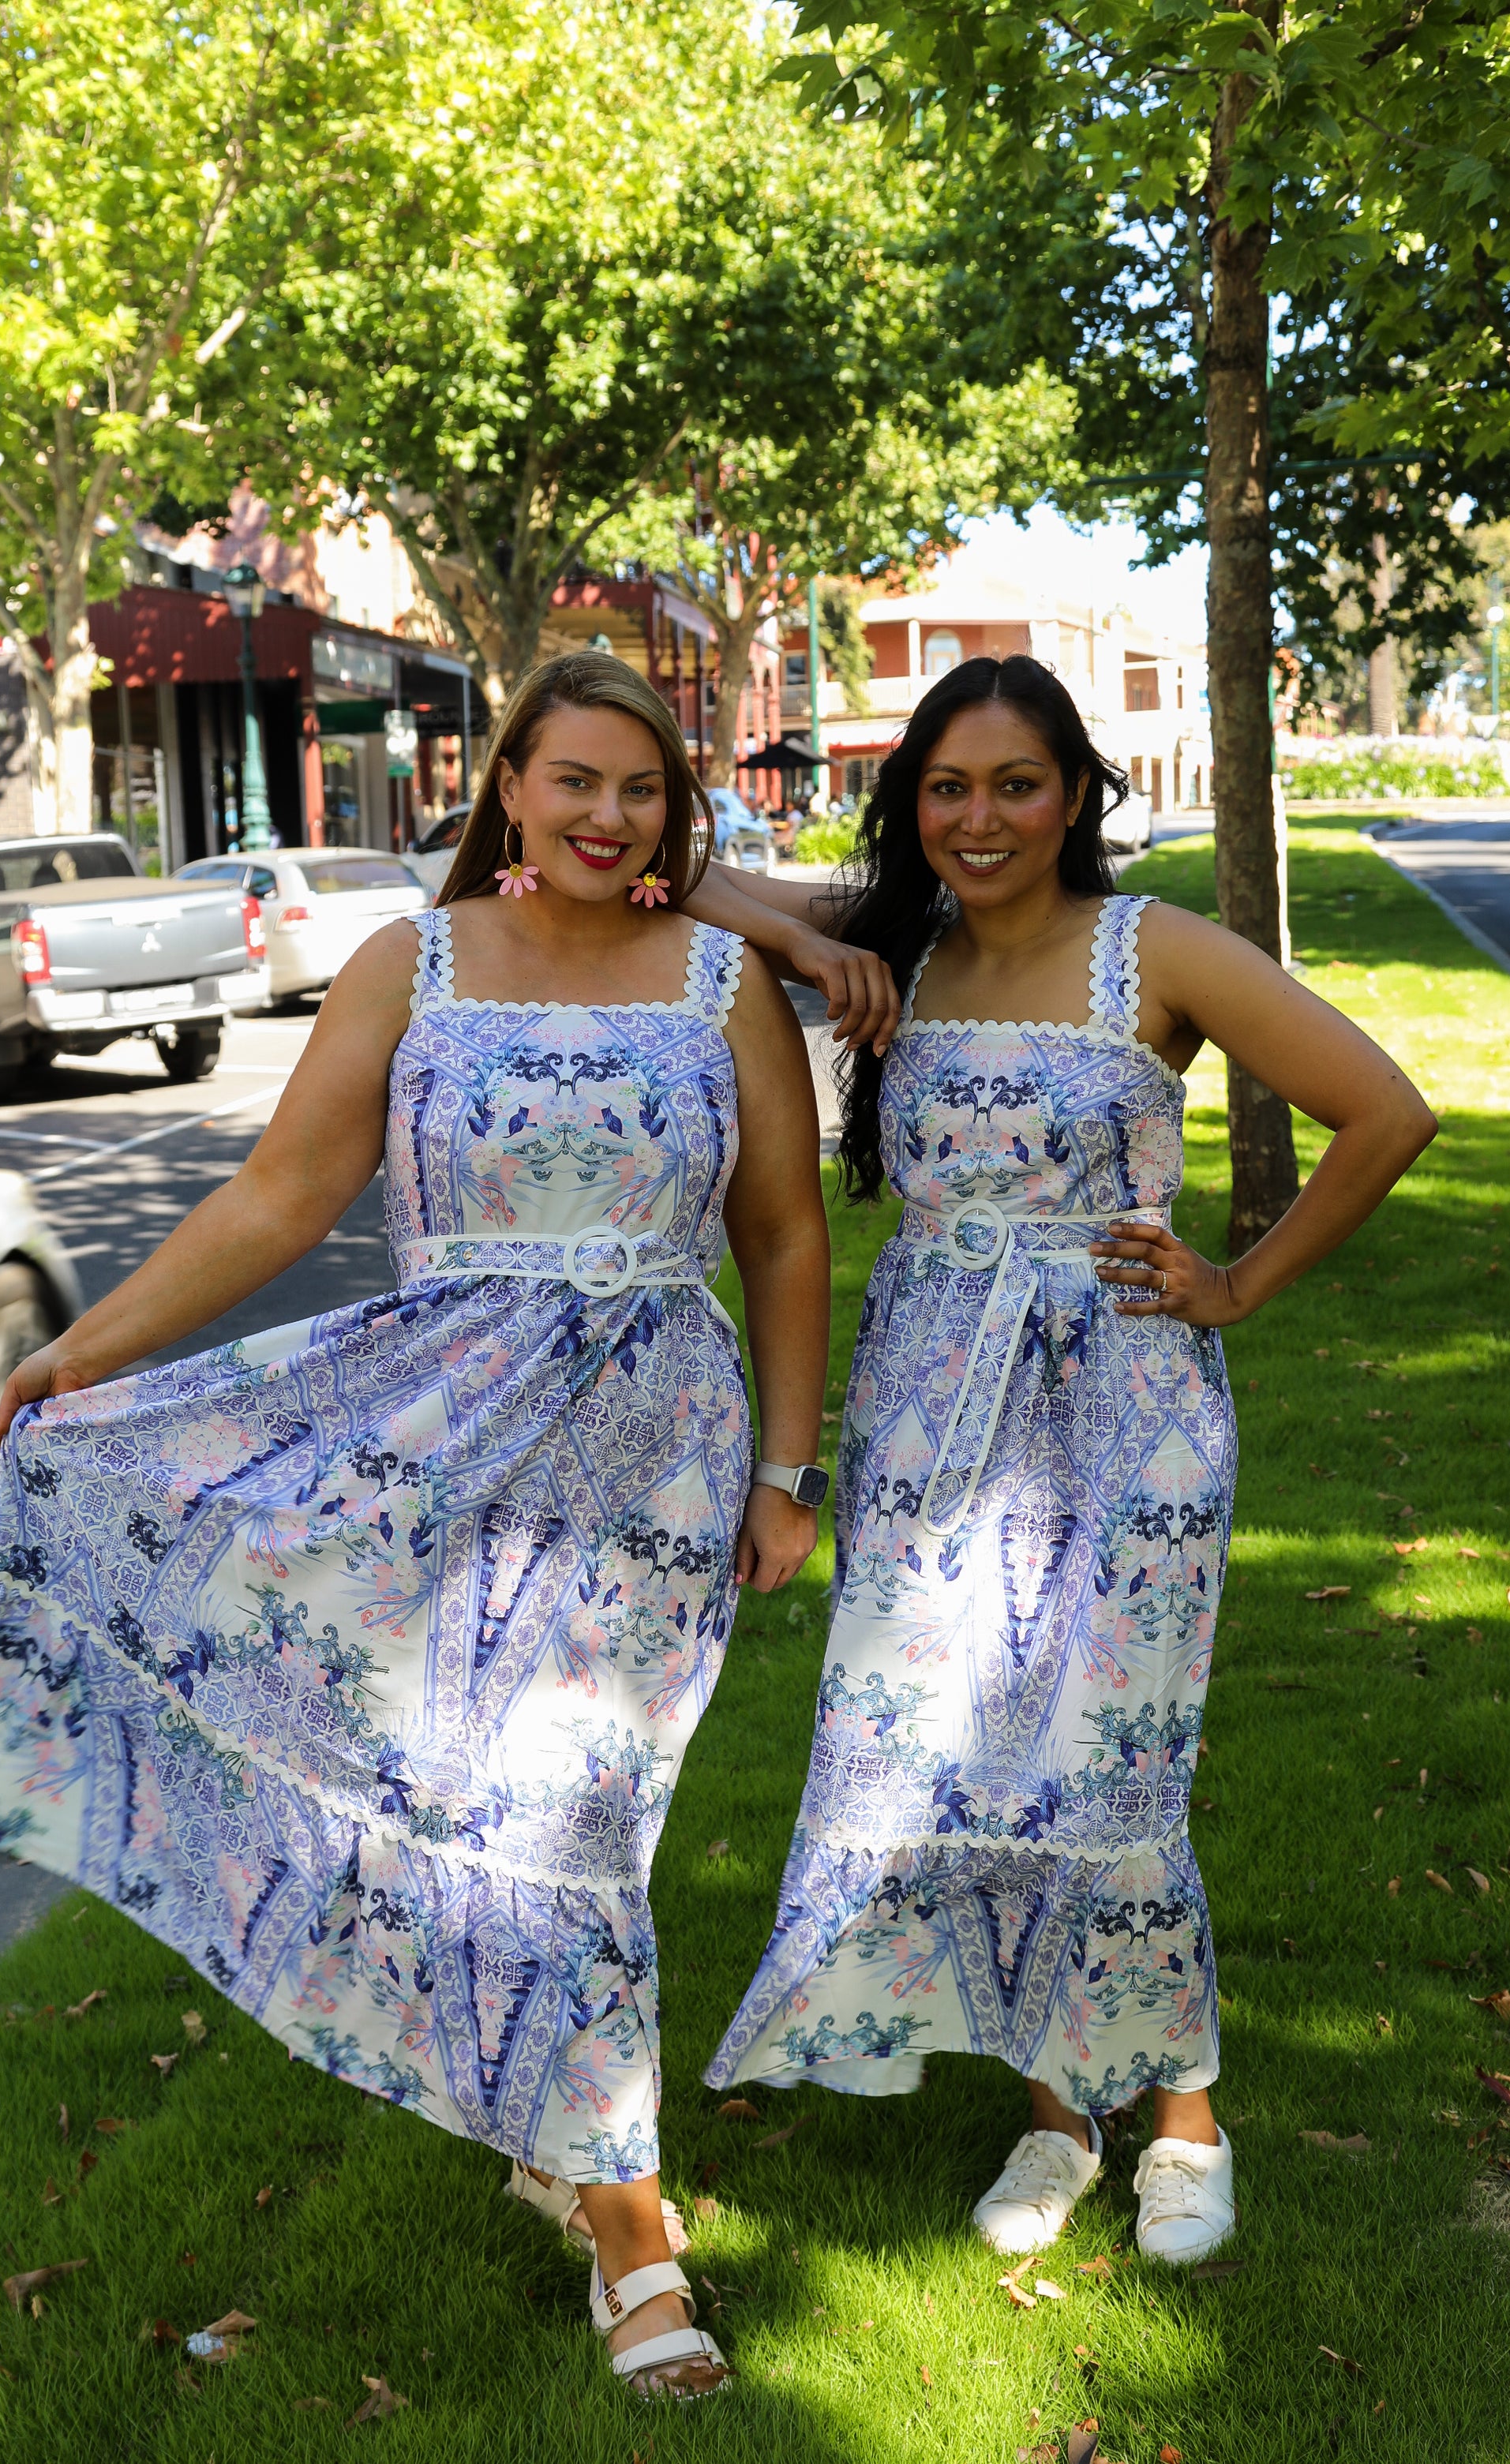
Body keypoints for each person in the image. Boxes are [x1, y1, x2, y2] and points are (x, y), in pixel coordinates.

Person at [0, 653, 834, 2402]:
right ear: (511, 788)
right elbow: (278, 1192)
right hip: (434, 1435)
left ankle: (630, 2232)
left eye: (644, 790)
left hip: (652, 1461)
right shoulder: (416, 960)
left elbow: (779, 1232)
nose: (611, 817)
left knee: (573, 1822)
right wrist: (85, 1350)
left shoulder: (720, 981)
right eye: (577, 781)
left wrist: (787, 1468)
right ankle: (578, 2141)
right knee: (473, 1807)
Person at [688, 654, 1434, 2264]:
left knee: (1113, 1760)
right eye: (945, 788)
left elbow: (1384, 1109)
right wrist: (814, 938)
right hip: (929, 1408)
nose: (978, 817)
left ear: (1077, 794)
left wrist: (1233, 1283)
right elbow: (674, 861)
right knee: (962, 1753)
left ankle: (1181, 2117)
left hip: (1126, 1415)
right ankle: (1054, 2113)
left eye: (1015, 783)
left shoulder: (1152, 949)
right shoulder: (901, 953)